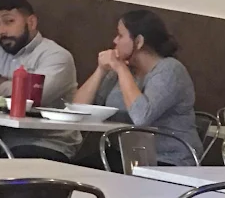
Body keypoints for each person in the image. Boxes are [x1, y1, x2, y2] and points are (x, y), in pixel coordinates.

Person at [0, 0, 79, 158]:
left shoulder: (56, 56)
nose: (1, 31)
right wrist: (3, 93)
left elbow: (30, 98)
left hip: (46, 143)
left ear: (31, 22)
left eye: (9, 21)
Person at [74, 8, 199, 164]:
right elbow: (77, 110)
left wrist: (120, 68)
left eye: (120, 35)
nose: (115, 41)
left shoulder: (170, 70)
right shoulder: (121, 72)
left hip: (166, 160)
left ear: (138, 41)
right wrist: (100, 70)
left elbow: (141, 117)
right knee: (71, 172)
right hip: (125, 155)